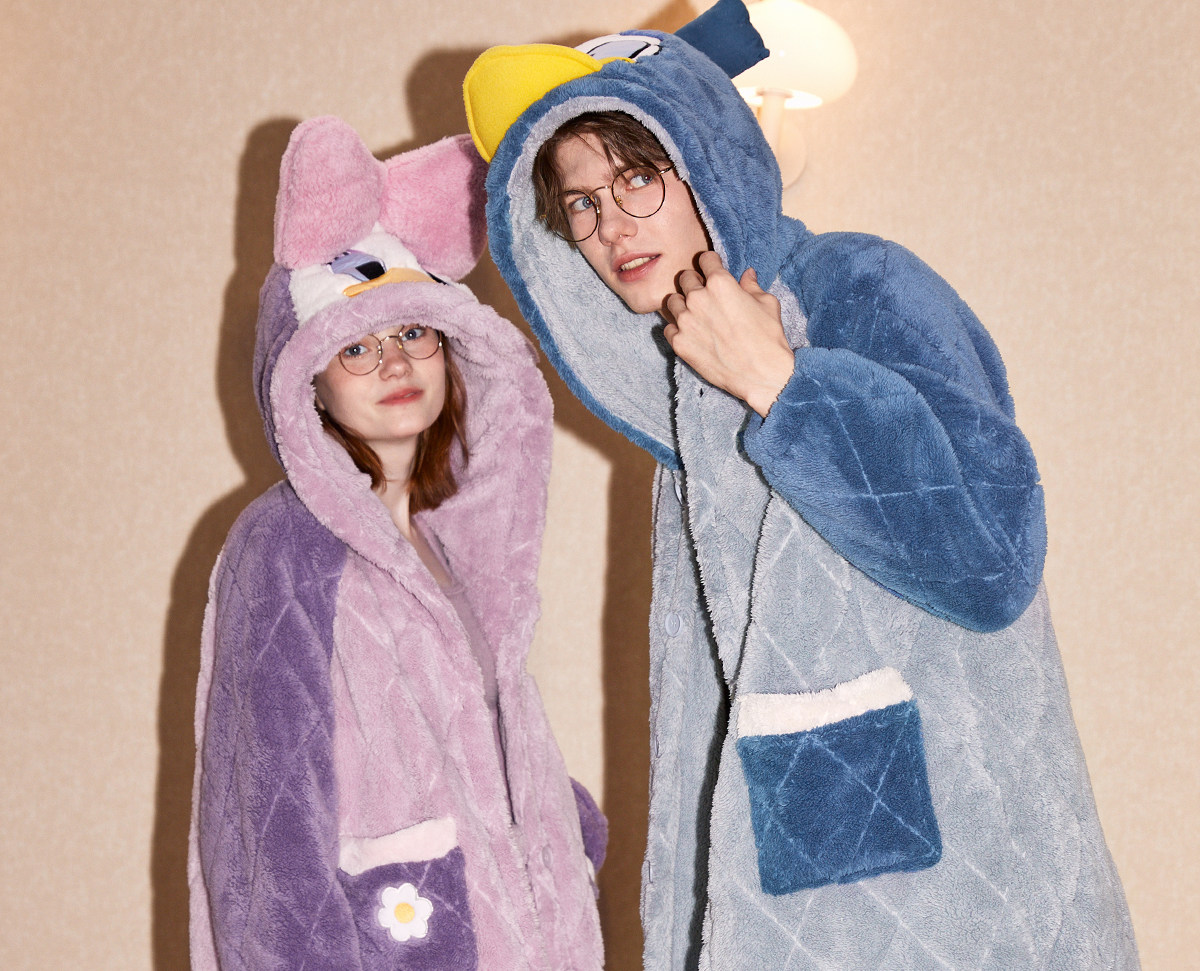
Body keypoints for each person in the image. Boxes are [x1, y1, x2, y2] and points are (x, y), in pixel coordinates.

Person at [463, 2, 1139, 968]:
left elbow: (990, 561)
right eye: (580, 205)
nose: (610, 226)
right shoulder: (689, 406)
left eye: (637, 177)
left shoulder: (857, 282)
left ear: (707, 160)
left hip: (966, 903)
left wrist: (784, 383)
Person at [187, 116, 606, 971]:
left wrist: (567, 827)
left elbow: (461, 738)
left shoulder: (440, 545)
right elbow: (268, 818)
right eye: (356, 347)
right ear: (309, 381)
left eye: (414, 333)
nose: (395, 363)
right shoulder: (284, 548)